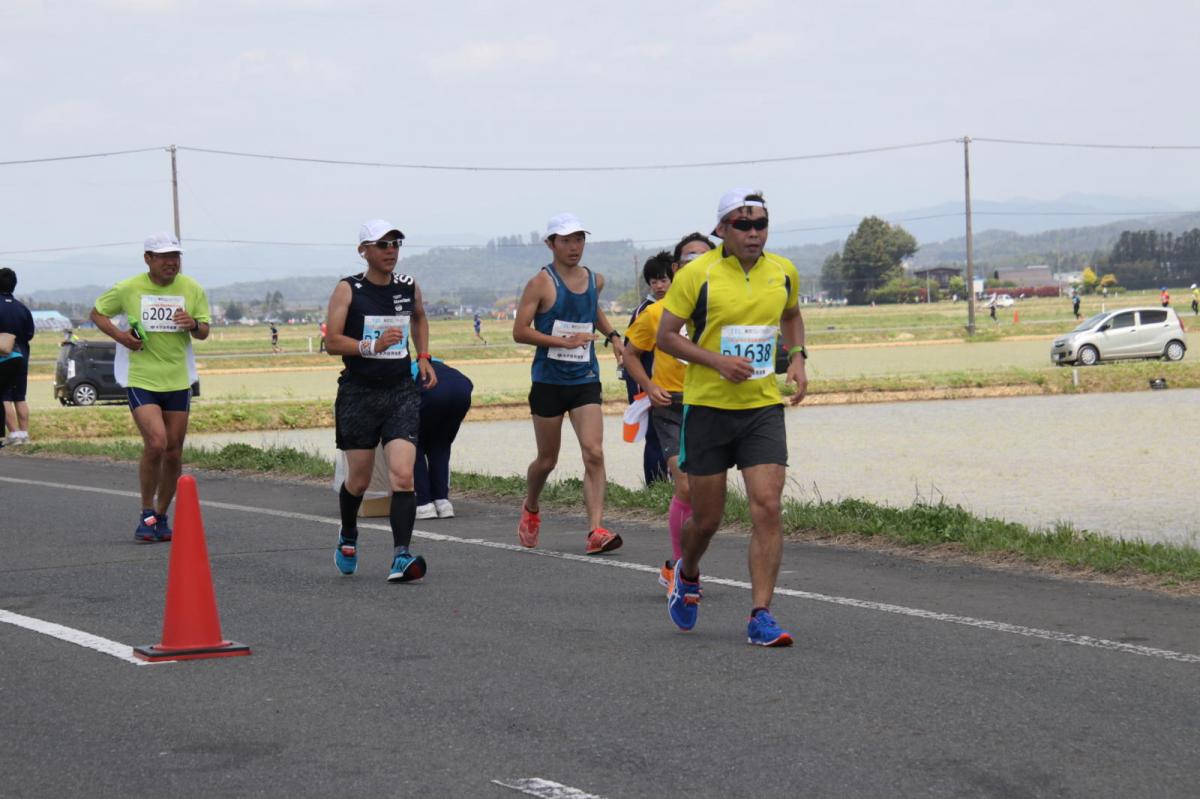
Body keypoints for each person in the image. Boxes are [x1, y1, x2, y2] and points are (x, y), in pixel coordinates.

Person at [655, 189, 807, 647]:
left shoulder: (783, 271)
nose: (754, 233)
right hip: (707, 409)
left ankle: (761, 613)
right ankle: (688, 571)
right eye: (743, 225)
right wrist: (717, 362)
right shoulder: (696, 275)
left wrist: (797, 356)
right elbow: (666, 337)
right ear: (721, 229)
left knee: (768, 506)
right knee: (707, 519)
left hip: (761, 407)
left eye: (761, 224)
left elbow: (792, 315)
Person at [325, 219, 437, 582]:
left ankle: (400, 556)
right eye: (382, 244)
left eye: (396, 243)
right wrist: (370, 346)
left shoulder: (408, 286)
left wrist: (423, 357)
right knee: (357, 480)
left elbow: (419, 317)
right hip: (359, 392)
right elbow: (332, 342)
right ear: (364, 251)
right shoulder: (348, 289)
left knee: (402, 477)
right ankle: (348, 533)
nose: (391, 250)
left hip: (399, 392)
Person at [512, 212, 624, 555]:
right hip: (548, 380)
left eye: (579, 239)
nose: (575, 247)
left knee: (594, 452)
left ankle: (595, 530)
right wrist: (563, 342)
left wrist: (613, 335)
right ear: (551, 244)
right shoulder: (541, 283)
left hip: (584, 378)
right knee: (547, 460)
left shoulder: (596, 279)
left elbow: (592, 309)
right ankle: (531, 506)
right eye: (566, 240)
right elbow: (520, 331)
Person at [90, 233, 211, 542]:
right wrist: (122, 338)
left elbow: (204, 331)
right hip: (140, 376)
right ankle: (146, 511)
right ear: (148, 258)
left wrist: (193, 324)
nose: (171, 262)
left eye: (176, 256)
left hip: (178, 379)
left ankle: (161, 514)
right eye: (164, 256)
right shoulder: (128, 288)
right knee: (156, 443)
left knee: (173, 451)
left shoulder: (192, 289)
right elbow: (97, 314)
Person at [620, 233, 715, 591]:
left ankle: (682, 564)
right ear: (676, 269)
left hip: (709, 406)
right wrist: (648, 385)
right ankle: (679, 569)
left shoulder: (718, 311)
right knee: (686, 486)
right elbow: (629, 353)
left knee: (707, 501)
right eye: (689, 261)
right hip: (671, 407)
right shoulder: (656, 313)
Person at [622, 251, 674, 486]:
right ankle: (656, 488)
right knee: (654, 439)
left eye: (663, 280)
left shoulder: (683, 308)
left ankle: (679, 489)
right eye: (654, 281)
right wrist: (639, 392)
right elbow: (629, 354)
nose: (659, 286)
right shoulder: (643, 311)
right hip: (651, 386)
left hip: (678, 385)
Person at [413, 359, 474, 520]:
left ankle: (424, 504)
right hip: (462, 390)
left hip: (431, 390)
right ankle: (442, 502)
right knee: (440, 445)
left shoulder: (403, 368)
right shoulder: (438, 364)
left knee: (413, 445)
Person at [0, 268, 35, 447]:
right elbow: (29, 334)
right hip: (22, 356)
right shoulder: (22, 308)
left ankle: (13, 434)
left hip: (2, 358)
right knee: (20, 397)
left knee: (3, 396)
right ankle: (24, 434)